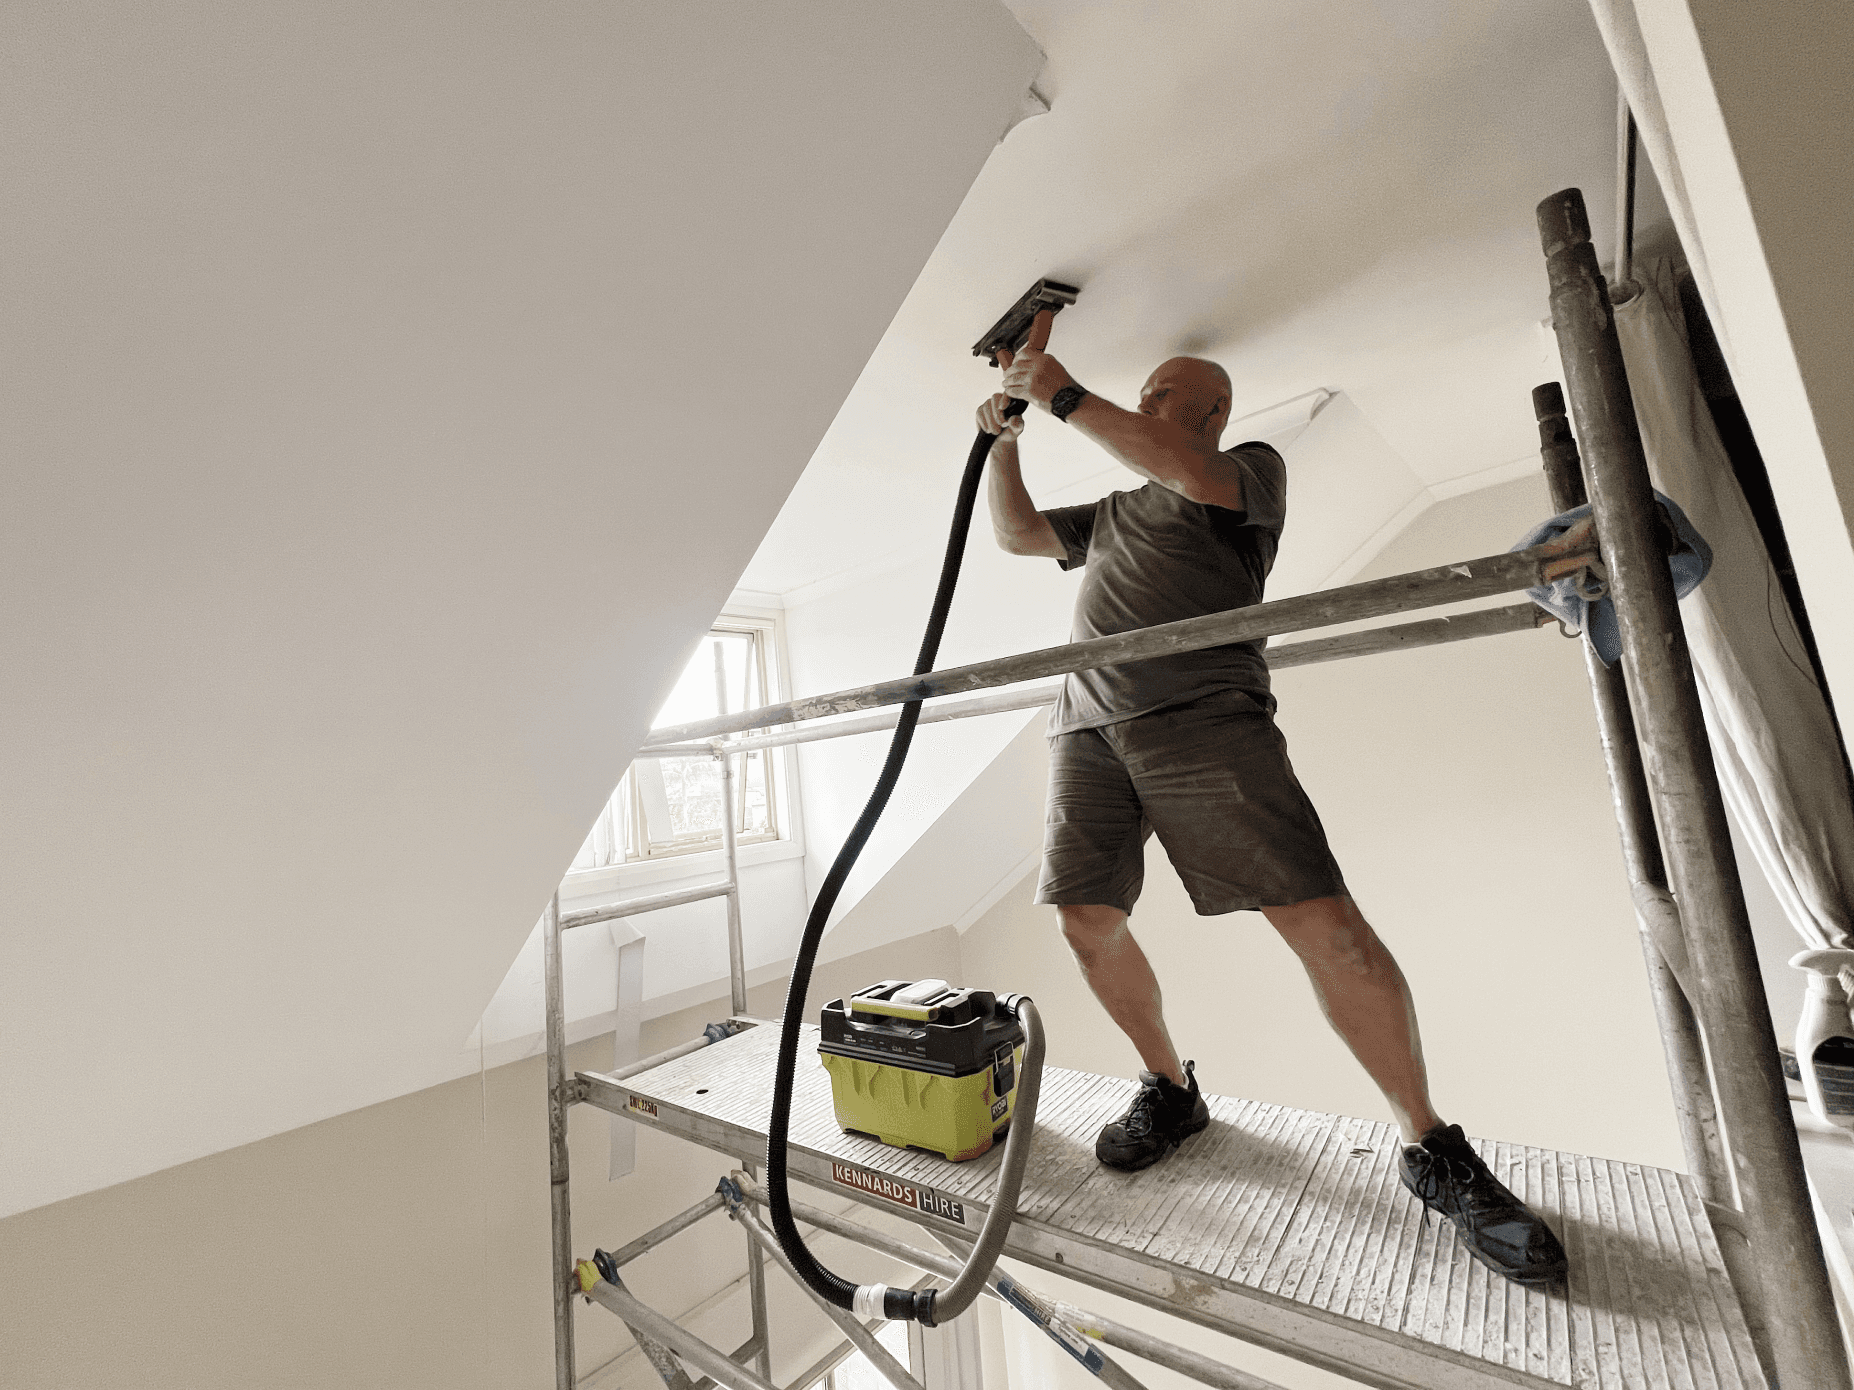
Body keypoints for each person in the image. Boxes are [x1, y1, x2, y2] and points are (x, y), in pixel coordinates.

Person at [977, 310, 1566, 1287]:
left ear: (1214, 412)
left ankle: (1429, 1146)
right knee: (1086, 922)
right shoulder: (1116, 510)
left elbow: (1183, 467)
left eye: (1167, 393)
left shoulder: (1247, 472)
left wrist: (1065, 395)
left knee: (1324, 927)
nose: (1149, 399)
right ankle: (1171, 1089)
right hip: (1086, 728)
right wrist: (1004, 439)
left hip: (1206, 718)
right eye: (1146, 391)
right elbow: (1016, 534)